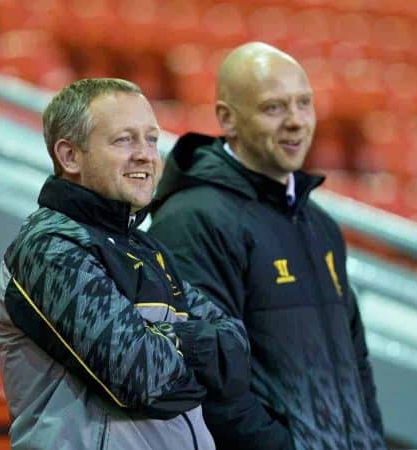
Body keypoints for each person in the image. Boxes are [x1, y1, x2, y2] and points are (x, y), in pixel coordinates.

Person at [148, 42, 386, 450]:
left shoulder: (321, 226)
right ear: (228, 118)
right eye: (274, 108)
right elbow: (208, 380)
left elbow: (356, 363)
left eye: (303, 104)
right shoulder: (192, 221)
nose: (296, 122)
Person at [0, 78, 250, 450]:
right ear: (70, 156)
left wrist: (167, 345)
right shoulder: (49, 247)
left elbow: (237, 348)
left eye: (151, 139)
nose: (146, 155)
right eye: (124, 140)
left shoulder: (148, 248)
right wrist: (200, 354)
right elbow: (140, 377)